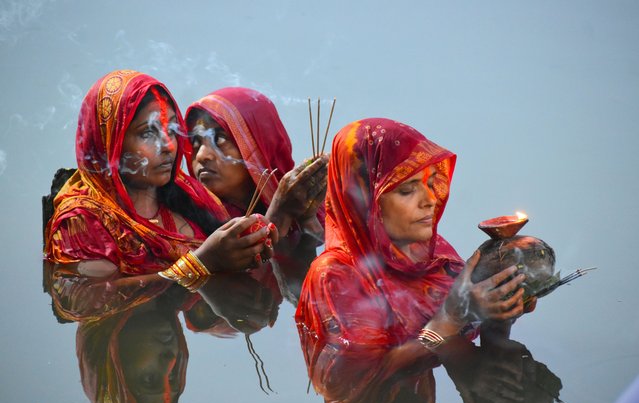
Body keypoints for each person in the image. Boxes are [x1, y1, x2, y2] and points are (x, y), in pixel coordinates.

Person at [295, 118, 532, 348]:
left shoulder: (432, 253)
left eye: (430, 184)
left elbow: (467, 337)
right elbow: (357, 377)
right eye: (408, 190)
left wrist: (501, 308)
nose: (430, 201)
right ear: (364, 200)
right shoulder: (333, 277)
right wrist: (451, 319)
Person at [44, 70, 276, 295]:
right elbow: (87, 301)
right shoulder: (82, 221)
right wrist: (201, 264)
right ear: (109, 145)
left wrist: (259, 239)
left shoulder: (189, 192)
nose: (168, 145)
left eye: (171, 129)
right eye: (147, 133)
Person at [185, 87, 328, 300]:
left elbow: (319, 281)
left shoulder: (315, 205)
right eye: (195, 144)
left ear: (259, 144)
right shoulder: (185, 224)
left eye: (220, 140)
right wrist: (279, 214)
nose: (202, 155)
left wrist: (306, 219)